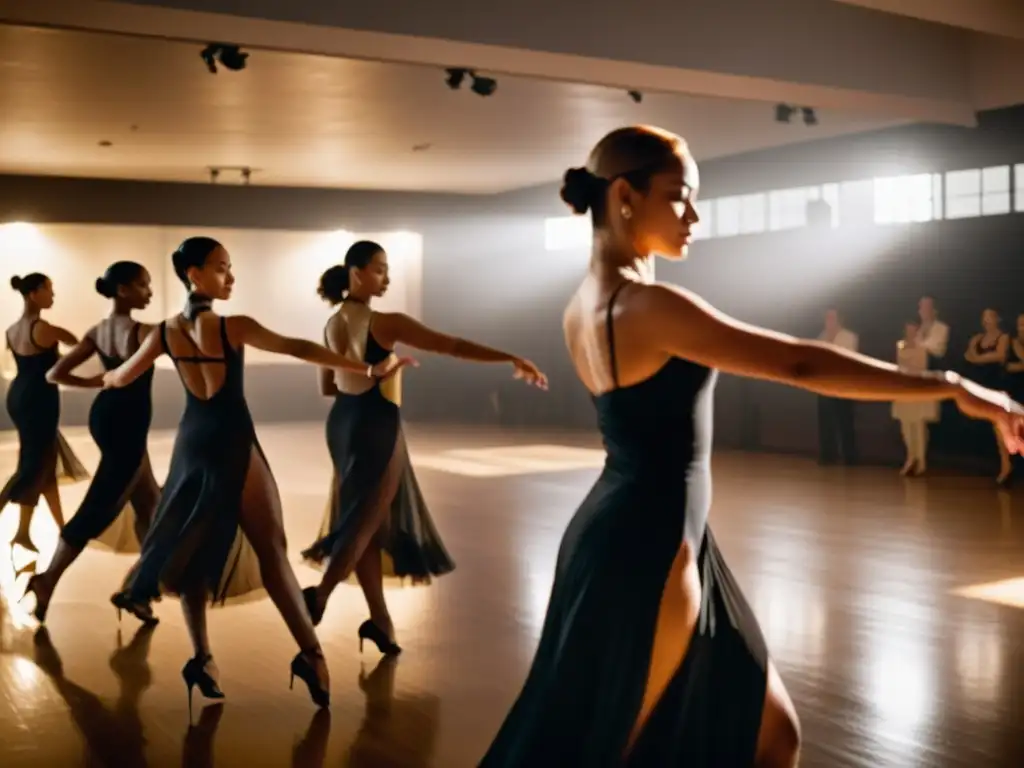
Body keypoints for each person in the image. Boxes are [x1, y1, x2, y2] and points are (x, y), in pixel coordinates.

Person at [480, 125, 1024, 767]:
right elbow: (799, 366)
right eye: (680, 196)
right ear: (625, 196)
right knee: (615, 746)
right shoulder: (646, 307)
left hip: (642, 529)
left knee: (773, 735)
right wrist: (952, 385)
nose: (694, 215)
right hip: (650, 546)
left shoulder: (585, 304)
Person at [102, 237, 414, 713]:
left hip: (192, 443)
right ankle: (311, 656)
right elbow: (298, 347)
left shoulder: (163, 332)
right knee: (271, 551)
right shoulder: (233, 326)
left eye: (230, 268)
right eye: (221, 268)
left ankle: (203, 657)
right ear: (194, 274)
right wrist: (367, 367)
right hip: (232, 441)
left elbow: (120, 377)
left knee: (195, 552)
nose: (230, 277)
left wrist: (91, 379)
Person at [301, 240, 547, 654]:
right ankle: (318, 596)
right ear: (356, 272)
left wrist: (371, 377)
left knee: (369, 523)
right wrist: (509, 356)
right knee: (365, 521)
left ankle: (380, 622)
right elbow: (450, 345)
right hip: (376, 423)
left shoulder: (332, 322)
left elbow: (329, 386)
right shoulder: (386, 322)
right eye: (379, 269)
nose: (387, 277)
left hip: (342, 422)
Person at [22, 262, 161, 623]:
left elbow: (55, 373)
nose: (150, 292)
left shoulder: (98, 332)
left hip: (106, 417)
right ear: (124, 290)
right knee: (99, 507)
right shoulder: (146, 331)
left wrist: (101, 381)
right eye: (144, 286)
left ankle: (139, 589)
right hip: (128, 425)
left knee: (150, 505)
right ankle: (47, 580)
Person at [2, 273, 88, 563]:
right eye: (49, 290)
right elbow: (76, 341)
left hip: (18, 396)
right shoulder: (44, 328)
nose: (53, 296)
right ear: (33, 294)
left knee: (43, 463)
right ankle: (38, 530)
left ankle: (43, 531)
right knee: (31, 466)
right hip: (39, 399)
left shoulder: (12, 330)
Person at [964, 308, 1010, 484]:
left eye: (990, 316)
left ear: (998, 318)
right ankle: (990, 465)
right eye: (984, 317)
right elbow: (968, 355)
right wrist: (977, 358)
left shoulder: (1003, 337)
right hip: (979, 386)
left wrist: (977, 358)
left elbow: (999, 356)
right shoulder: (977, 339)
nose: (986, 320)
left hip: (997, 385)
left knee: (1000, 425)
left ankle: (1006, 467)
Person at [892, 321, 938, 476]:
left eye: (913, 330)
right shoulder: (900, 345)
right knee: (906, 425)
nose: (910, 332)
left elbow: (921, 367)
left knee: (918, 426)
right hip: (903, 390)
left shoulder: (922, 347)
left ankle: (921, 460)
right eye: (908, 330)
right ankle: (910, 457)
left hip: (918, 389)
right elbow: (899, 366)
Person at [817, 309, 859, 465]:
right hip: (824, 384)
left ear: (839, 319)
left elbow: (848, 358)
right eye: (827, 317)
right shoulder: (821, 336)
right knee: (825, 421)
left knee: (844, 420)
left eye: (832, 317)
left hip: (843, 384)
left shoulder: (849, 337)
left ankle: (850, 456)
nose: (828, 321)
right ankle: (828, 455)